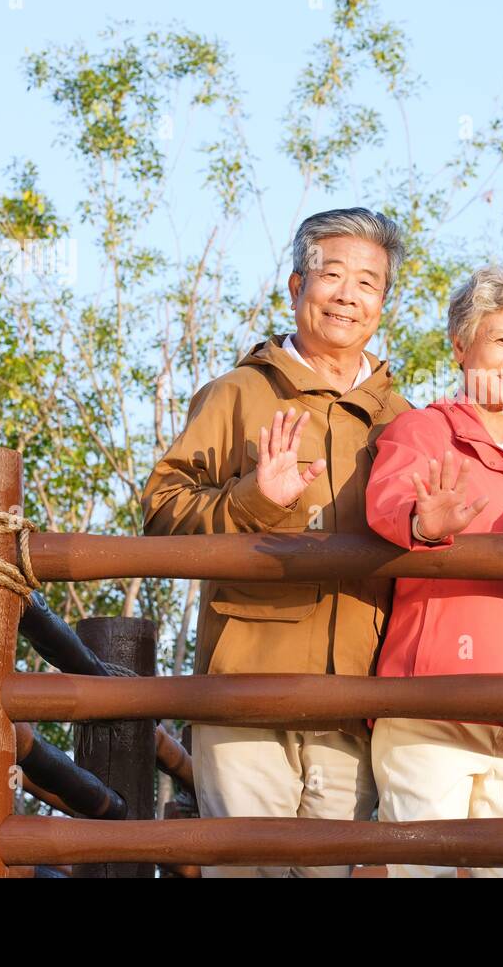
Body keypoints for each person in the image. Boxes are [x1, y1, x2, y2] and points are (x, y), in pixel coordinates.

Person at [141, 208, 410, 877]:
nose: (348, 295)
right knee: (245, 869)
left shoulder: (403, 418)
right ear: (296, 286)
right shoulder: (238, 394)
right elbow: (161, 512)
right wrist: (256, 499)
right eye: (332, 275)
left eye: (369, 283)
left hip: (358, 698)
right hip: (244, 691)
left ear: (384, 303)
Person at [365, 266, 503, 878]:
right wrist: (424, 521)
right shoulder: (425, 429)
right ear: (461, 346)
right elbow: (387, 503)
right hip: (432, 704)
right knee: (421, 870)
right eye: (502, 340)